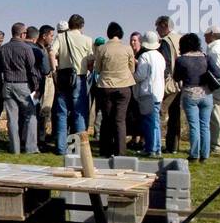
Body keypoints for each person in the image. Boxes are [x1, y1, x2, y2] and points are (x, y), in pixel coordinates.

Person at [0, 23, 42, 154]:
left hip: (7, 85)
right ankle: (31, 148)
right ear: (21, 34)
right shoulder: (26, 49)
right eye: (25, 33)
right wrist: (36, 87)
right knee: (31, 116)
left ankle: (15, 148)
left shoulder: (3, 49)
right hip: (23, 85)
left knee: (12, 119)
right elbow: (32, 69)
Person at [174, 33, 220, 162]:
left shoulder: (181, 60)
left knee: (194, 126)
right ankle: (205, 155)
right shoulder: (205, 58)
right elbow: (219, 73)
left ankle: (194, 154)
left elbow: (176, 77)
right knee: (205, 125)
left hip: (190, 94)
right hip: (207, 94)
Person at [92, 22, 136, 156]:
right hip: (123, 87)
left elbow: (97, 69)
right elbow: (132, 68)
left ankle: (105, 150)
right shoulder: (128, 49)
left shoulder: (102, 49)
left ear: (108, 33)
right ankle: (120, 152)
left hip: (106, 86)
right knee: (120, 120)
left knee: (106, 119)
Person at [52, 14, 93, 153]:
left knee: (62, 113)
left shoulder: (60, 37)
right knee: (79, 113)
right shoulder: (87, 39)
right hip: (79, 78)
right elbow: (91, 58)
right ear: (82, 26)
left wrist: (54, 70)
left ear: (69, 25)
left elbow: (52, 52)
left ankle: (60, 148)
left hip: (63, 77)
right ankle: (77, 148)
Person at [134, 30, 166, 155]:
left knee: (149, 122)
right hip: (158, 92)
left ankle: (150, 149)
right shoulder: (160, 56)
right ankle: (157, 147)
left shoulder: (145, 56)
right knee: (155, 122)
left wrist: (132, 76)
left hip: (148, 93)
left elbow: (140, 76)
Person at [156, 16, 182, 153]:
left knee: (161, 112)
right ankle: (174, 146)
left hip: (171, 82)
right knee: (175, 115)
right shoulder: (179, 38)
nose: (156, 29)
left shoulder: (166, 41)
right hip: (181, 82)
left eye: (158, 26)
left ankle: (157, 144)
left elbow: (165, 62)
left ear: (164, 26)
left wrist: (163, 79)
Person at [205, 26, 220, 154]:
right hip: (219, 84)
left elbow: (217, 72)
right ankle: (213, 144)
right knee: (214, 115)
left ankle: (217, 146)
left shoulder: (216, 50)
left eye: (206, 34)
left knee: (215, 116)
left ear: (212, 34)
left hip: (216, 84)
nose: (204, 36)